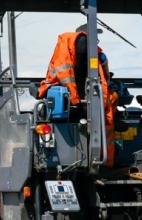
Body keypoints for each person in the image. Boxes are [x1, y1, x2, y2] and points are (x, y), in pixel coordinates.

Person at [38, 22, 119, 163]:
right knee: (113, 102)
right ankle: (106, 163)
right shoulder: (95, 55)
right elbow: (105, 78)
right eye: (96, 37)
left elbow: (64, 75)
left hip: (73, 101)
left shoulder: (77, 52)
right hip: (87, 103)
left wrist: (75, 99)